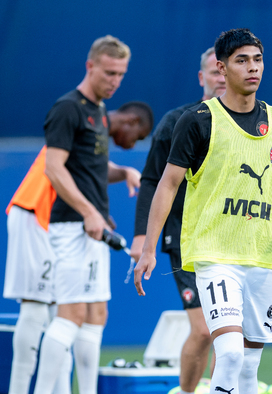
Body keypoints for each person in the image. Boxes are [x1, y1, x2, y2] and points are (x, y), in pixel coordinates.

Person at [133, 28, 272, 394]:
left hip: (264, 255)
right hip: (215, 254)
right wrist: (149, 245)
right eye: (242, 60)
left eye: (258, 60)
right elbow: (165, 183)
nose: (253, 68)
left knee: (249, 366)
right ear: (222, 67)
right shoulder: (196, 120)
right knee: (229, 353)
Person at [4, 100, 152, 394]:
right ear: (131, 121)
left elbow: (88, 173)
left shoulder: (95, 131)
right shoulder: (83, 122)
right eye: (137, 136)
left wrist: (112, 186)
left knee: (62, 315)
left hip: (53, 221)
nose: (132, 144)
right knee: (37, 311)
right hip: (36, 214)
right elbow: (60, 168)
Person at [31, 35, 142, 394]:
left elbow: (91, 166)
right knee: (71, 315)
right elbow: (55, 168)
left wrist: (123, 171)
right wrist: (89, 212)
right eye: (109, 72)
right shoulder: (68, 108)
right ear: (90, 66)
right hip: (71, 227)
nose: (115, 81)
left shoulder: (98, 111)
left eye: (121, 74)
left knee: (97, 315)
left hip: (93, 230)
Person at [129, 47, 225, 394]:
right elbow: (153, 180)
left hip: (233, 240)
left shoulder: (256, 121)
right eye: (214, 72)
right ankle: (186, 392)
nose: (221, 78)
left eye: (225, 70)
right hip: (185, 238)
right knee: (203, 331)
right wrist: (142, 237)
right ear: (202, 78)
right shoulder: (179, 120)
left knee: (231, 334)